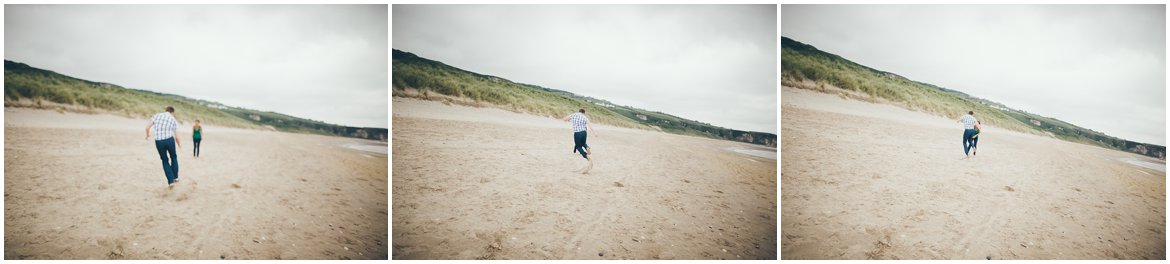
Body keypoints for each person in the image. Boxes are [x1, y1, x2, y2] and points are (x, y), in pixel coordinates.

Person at [146, 106, 182, 187]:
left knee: (165, 160)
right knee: (174, 157)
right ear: (172, 112)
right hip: (169, 140)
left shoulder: (157, 115)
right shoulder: (173, 119)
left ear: (166, 110)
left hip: (159, 141)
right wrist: (179, 144)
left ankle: (170, 181)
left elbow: (147, 127)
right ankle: (175, 178)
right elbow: (177, 136)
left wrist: (147, 135)